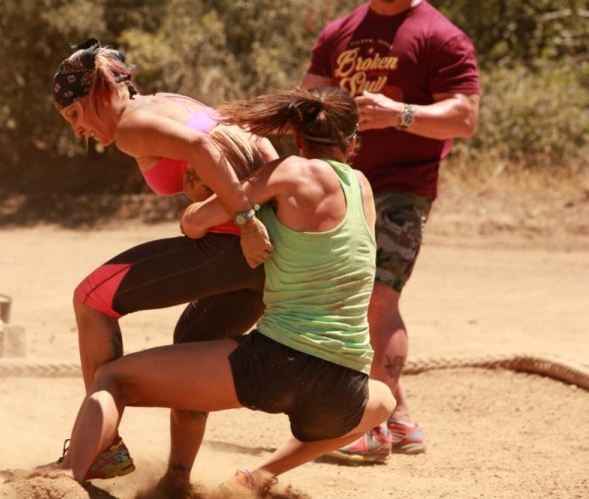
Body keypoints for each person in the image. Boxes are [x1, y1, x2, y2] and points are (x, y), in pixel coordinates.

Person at [34, 86, 396, 495]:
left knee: (111, 378)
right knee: (383, 400)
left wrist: (196, 206)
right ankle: (255, 476)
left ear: (296, 140)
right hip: (343, 387)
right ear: (352, 142)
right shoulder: (364, 187)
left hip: (272, 367)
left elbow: (196, 223)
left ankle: (66, 481)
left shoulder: (285, 173)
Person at [50, 37, 279, 481]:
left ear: (101, 93)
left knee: (90, 299)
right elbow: (259, 143)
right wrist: (268, 222)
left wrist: (247, 221)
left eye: (75, 115)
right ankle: (177, 479)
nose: (77, 130)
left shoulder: (131, 128)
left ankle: (104, 449)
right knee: (192, 345)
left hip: (234, 246)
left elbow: (201, 149)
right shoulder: (172, 101)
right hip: (262, 260)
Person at [299, 0, 480, 462]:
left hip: (403, 189)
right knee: (345, 293)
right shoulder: (340, 31)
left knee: (379, 297)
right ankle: (398, 417)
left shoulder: (440, 35)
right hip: (341, 183)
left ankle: (369, 424)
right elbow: (309, 100)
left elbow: (464, 118)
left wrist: (400, 114)